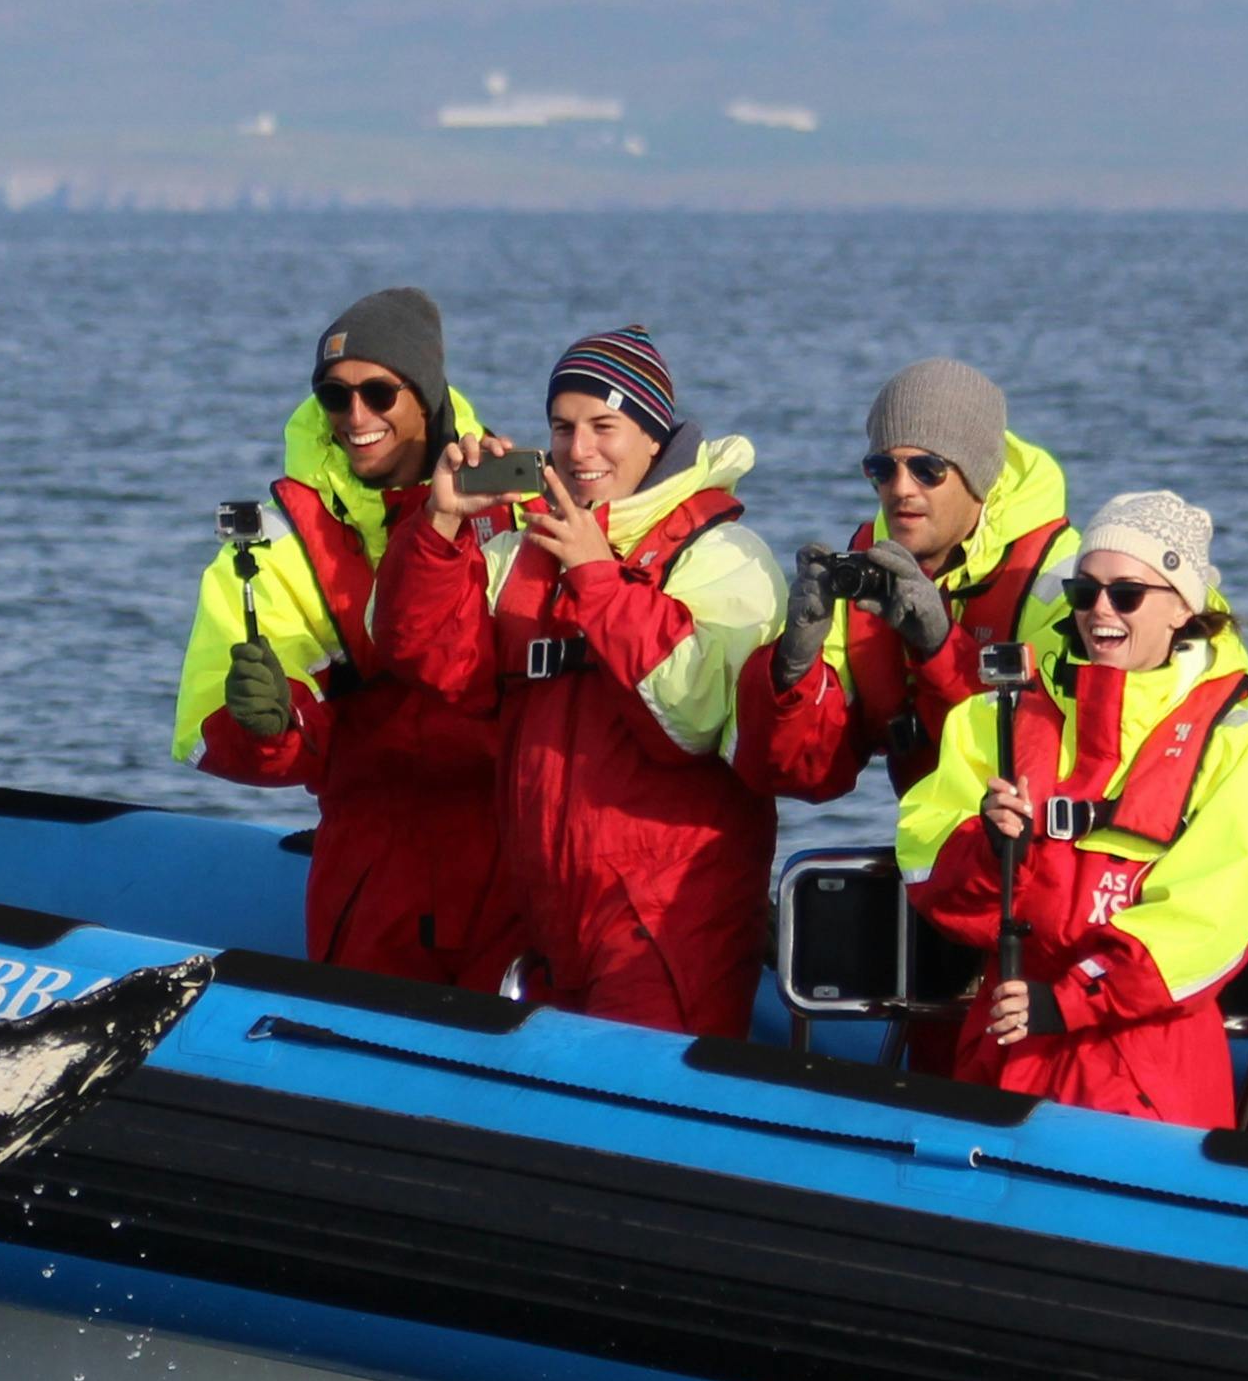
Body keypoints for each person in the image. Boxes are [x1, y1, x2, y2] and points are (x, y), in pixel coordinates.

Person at [371, 326, 802, 1032]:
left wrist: (597, 577)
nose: (579, 450)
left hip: (667, 927)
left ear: (655, 437)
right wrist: (443, 524)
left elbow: (692, 721)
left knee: (641, 1119)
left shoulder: (725, 556)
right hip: (550, 920)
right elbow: (425, 656)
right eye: (563, 428)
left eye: (606, 426)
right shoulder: (527, 545)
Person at [895, 492, 1248, 1125]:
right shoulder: (994, 720)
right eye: (1085, 592)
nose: (1101, 610)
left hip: (1145, 1072)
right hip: (1007, 1042)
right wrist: (992, 851)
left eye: (1127, 594)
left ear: (1182, 608)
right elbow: (924, 867)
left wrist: (1072, 999)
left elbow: (1205, 929)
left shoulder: (1234, 751)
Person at [171, 287, 517, 985]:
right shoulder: (275, 544)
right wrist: (266, 725)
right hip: (371, 880)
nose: (356, 416)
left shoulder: (519, 505)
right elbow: (209, 731)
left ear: (425, 394)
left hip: (515, 873)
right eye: (335, 395)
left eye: (380, 392)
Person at [741, 357, 1080, 796]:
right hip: (924, 851)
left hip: (1022, 851)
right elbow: (797, 775)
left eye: (927, 469)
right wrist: (791, 670)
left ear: (978, 474)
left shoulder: (1065, 580)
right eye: (882, 469)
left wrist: (943, 650)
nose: (901, 489)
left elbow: (1047, 772)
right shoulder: (863, 567)